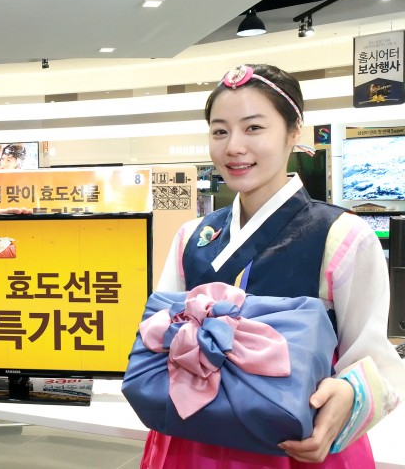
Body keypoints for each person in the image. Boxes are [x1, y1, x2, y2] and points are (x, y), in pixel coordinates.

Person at [140, 64, 405, 468]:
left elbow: (373, 360)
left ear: (294, 131)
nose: (233, 147)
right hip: (194, 434)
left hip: (294, 441)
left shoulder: (341, 235)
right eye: (219, 131)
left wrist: (349, 393)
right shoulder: (192, 236)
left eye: (254, 128)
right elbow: (160, 337)